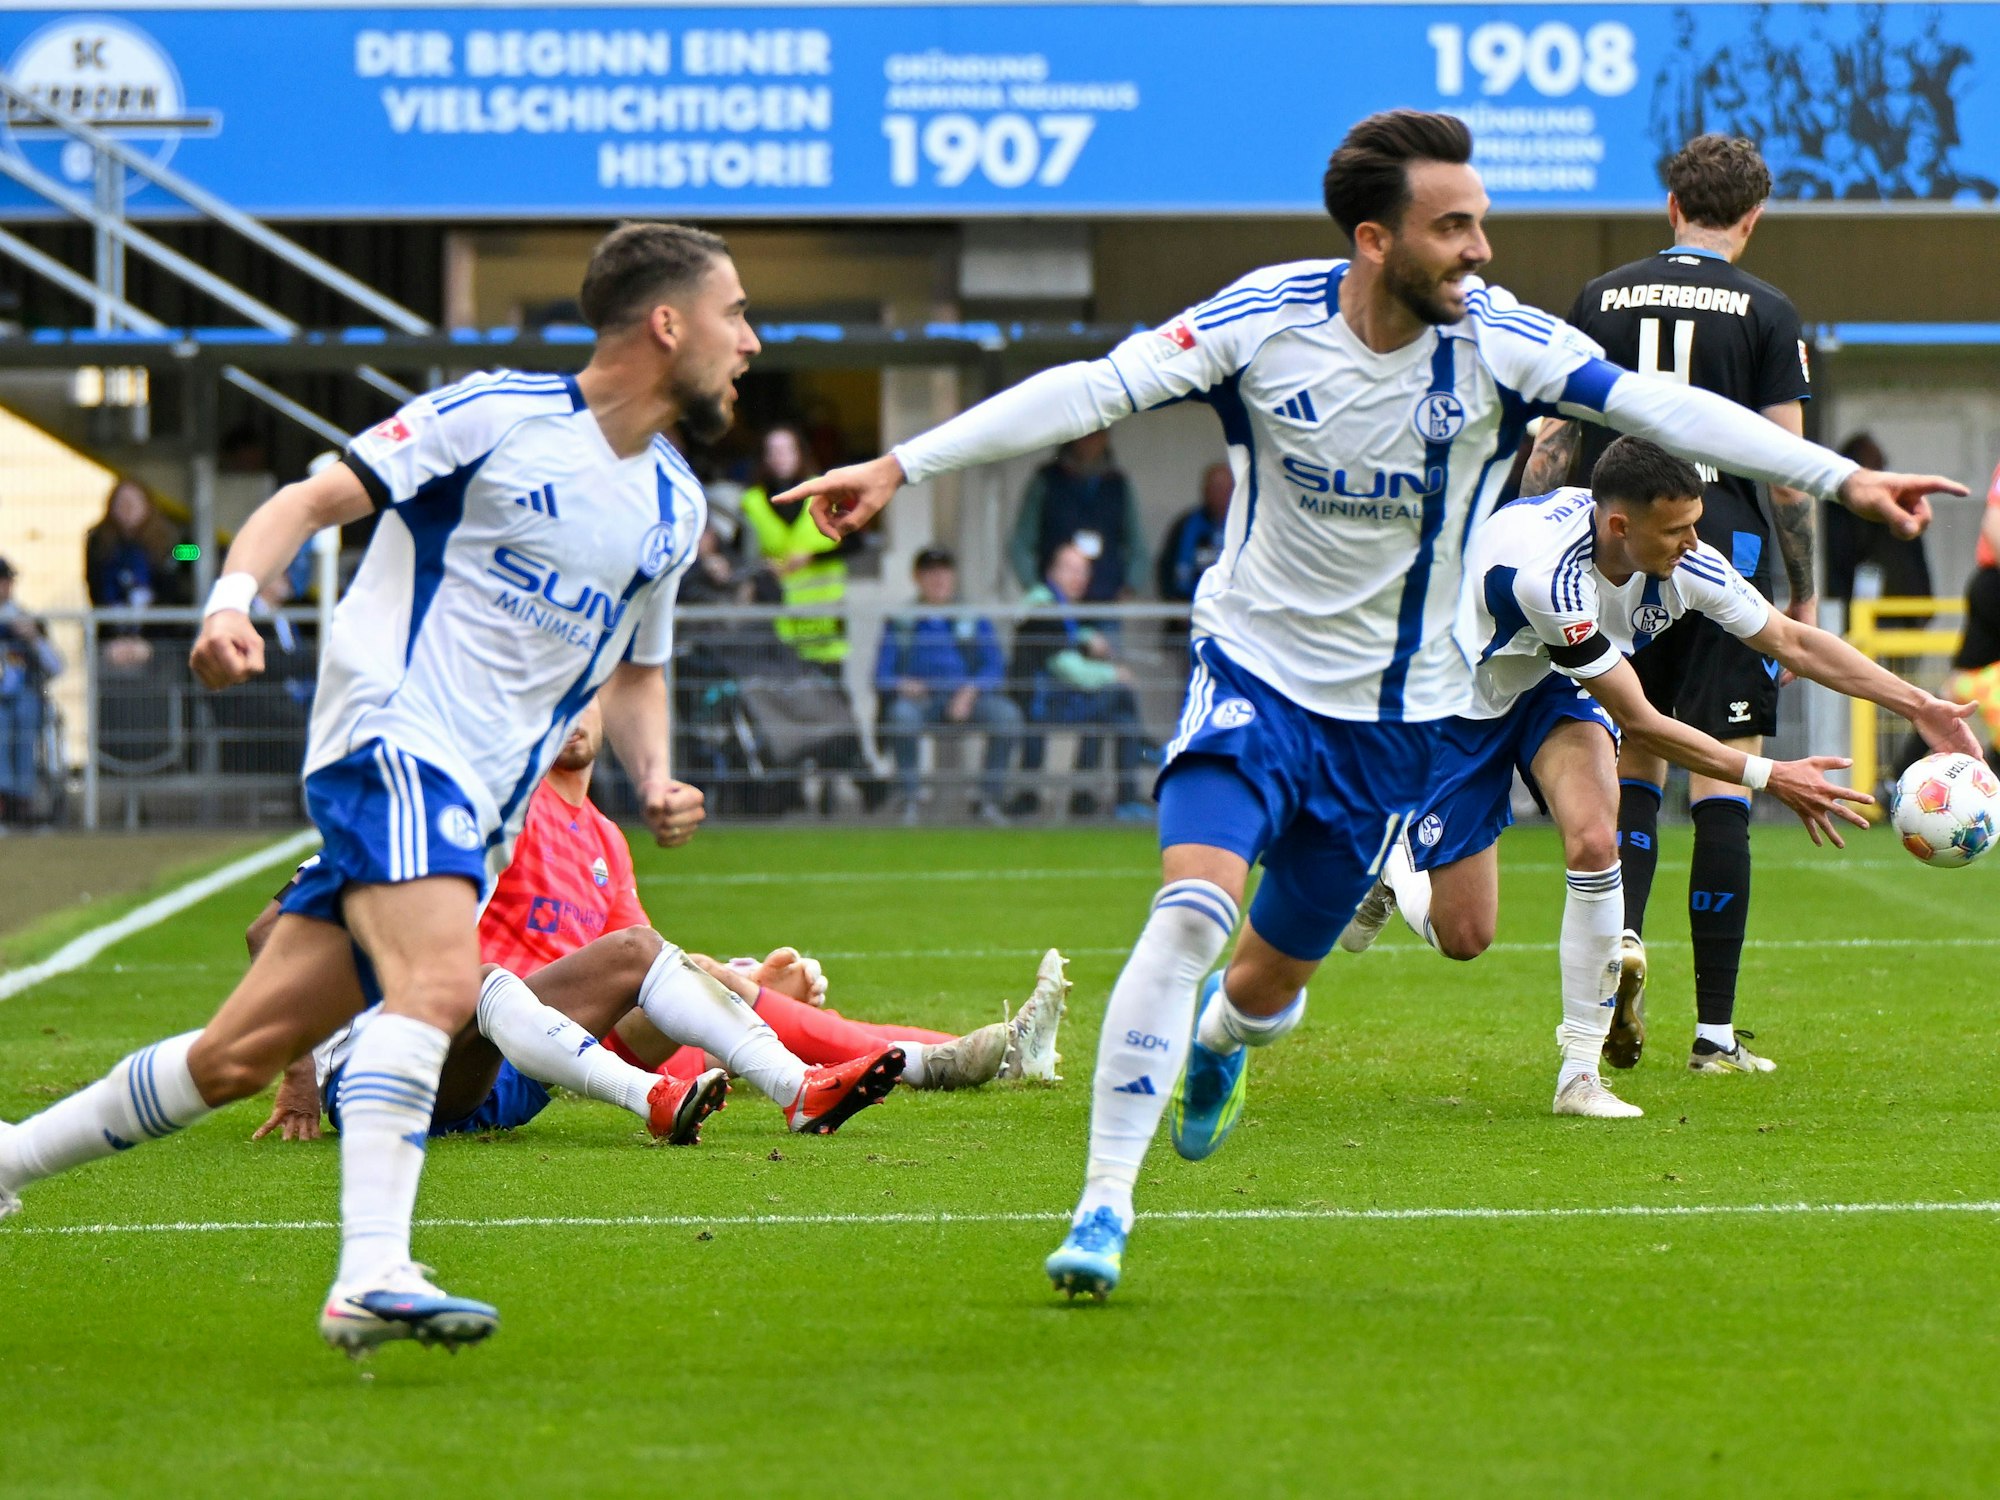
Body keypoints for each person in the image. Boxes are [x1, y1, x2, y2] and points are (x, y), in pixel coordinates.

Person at [774, 108, 1961, 1301]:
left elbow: (1661, 412)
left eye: (1481, 223)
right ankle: (1103, 1205)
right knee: (1189, 912)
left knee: (1264, 983)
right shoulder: (1261, 319)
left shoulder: (1498, 341)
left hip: (1389, 724)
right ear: (1373, 239)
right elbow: (1090, 392)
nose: (1481, 250)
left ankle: (1224, 1046)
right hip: (1247, 676)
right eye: (1454, 227)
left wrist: (1841, 478)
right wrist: (900, 463)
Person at [0, 221, 765, 1358]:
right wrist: (228, 604)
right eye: (735, 313)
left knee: (238, 1057)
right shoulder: (494, 415)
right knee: (445, 978)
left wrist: (654, 775)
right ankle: (371, 1273)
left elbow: (641, 669)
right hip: (391, 742)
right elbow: (308, 503)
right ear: (667, 324)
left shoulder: (672, 504)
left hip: (481, 807)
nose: (751, 342)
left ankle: (10, 1159)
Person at [1335, 438, 1978, 1113]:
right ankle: (1396, 864)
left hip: (1559, 686)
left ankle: (1579, 1075)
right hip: (1461, 698)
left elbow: (1791, 641)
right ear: (1620, 527)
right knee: (1466, 938)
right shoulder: (1549, 577)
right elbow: (1640, 723)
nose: (1694, 541)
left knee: (1593, 838)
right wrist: (1769, 774)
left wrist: (1920, 705)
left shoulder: (1690, 562)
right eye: (1677, 529)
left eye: (1695, 521)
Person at [1519, 134, 1833, 1075]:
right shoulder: (1769, 311)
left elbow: (1555, 446)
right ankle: (1715, 1035)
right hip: (1716, 547)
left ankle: (1619, 965)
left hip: (1616, 550)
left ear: (1669, 206)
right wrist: (1802, 587)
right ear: (1753, 216)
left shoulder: (1600, 298)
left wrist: (1533, 535)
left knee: (1640, 748)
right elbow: (1785, 473)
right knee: (1729, 776)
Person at [874, 545, 1022, 825]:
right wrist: (903, 685)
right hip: (921, 701)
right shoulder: (902, 622)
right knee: (901, 716)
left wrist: (971, 690)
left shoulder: (972, 618)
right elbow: (882, 675)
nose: (939, 580)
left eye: (944, 572)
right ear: (917, 578)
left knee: (1007, 716)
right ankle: (909, 798)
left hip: (966, 699)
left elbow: (994, 666)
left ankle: (989, 800)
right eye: (930, 573)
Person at [1012, 541, 1153, 822]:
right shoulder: (1044, 606)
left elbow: (1063, 641)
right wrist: (1113, 673)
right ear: (1053, 572)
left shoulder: (1060, 607)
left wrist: (1086, 637)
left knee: (1117, 713)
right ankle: (1136, 759)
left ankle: (1118, 789)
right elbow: (1065, 666)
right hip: (1041, 703)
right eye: (1072, 570)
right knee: (1118, 692)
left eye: (1084, 572)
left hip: (1057, 698)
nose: (1080, 578)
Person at [739, 424, 854, 671]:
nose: (780, 457)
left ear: (800, 452)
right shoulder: (751, 501)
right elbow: (738, 554)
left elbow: (855, 542)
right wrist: (759, 567)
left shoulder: (826, 492)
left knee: (829, 696)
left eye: (786, 450)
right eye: (773, 451)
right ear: (764, 457)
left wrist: (813, 557)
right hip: (777, 620)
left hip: (823, 620)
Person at [1009, 431, 1144, 602]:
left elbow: (1137, 544)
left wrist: (1130, 585)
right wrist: (1034, 587)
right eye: (1086, 434)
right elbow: (1021, 543)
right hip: (1055, 603)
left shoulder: (1117, 484)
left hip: (1104, 600)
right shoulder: (1047, 480)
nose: (1090, 441)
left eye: (1097, 434)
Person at [1823, 434, 1937, 611]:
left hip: (1903, 605)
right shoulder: (1838, 509)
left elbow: (1915, 561)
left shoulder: (1900, 503)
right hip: (1859, 606)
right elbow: (1838, 560)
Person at [84, 478, 188, 670]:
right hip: (113, 639)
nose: (127, 508)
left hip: (159, 640)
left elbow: (193, 558)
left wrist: (150, 641)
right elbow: (95, 589)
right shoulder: (98, 543)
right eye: (121, 503)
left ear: (147, 505)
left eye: (134, 502)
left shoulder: (171, 542)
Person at [0, 557, 62, 826]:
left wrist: (34, 639)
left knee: (26, 717)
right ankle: (4, 795)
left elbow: (56, 666)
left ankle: (22, 797)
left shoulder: (26, 619)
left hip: (24, 693)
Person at [1946, 457, 2000, 757]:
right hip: (1995, 583)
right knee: (1961, 686)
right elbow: (1994, 525)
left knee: (1958, 685)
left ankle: (1898, 774)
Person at [1157, 462, 1233, 605]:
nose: (1223, 494)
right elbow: (1166, 567)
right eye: (1216, 488)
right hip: (1186, 612)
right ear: (1205, 490)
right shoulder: (1186, 524)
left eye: (1227, 489)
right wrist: (1175, 602)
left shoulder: (1247, 527)